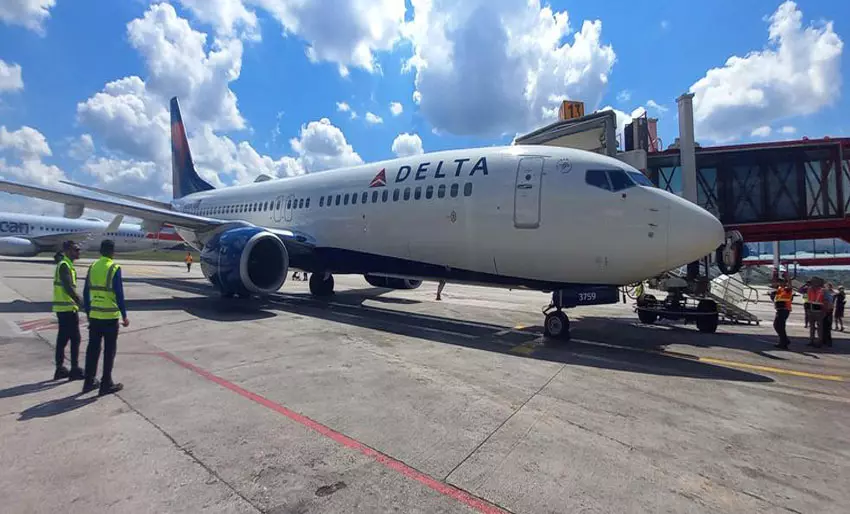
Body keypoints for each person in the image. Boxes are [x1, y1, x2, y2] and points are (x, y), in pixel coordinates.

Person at [82, 239, 128, 396]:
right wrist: (124, 315)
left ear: (100, 251)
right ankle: (105, 383)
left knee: (92, 350)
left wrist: (89, 313)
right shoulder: (114, 267)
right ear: (112, 251)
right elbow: (119, 294)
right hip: (110, 317)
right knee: (109, 351)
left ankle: (88, 382)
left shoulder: (93, 266)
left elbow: (85, 292)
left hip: (94, 316)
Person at [52, 241, 85, 380]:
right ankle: (75, 369)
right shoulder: (65, 266)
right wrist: (80, 301)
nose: (78, 252)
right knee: (75, 338)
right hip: (67, 308)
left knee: (63, 339)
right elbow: (68, 287)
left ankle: (60, 368)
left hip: (63, 307)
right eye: (75, 250)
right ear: (67, 251)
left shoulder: (67, 265)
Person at [772, 281, 793, 349]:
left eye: (782, 282)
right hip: (779, 309)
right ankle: (783, 341)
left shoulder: (787, 289)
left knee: (779, 325)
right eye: (780, 282)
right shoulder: (779, 289)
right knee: (778, 326)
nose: (780, 283)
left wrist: (788, 279)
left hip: (784, 309)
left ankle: (784, 341)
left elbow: (790, 286)